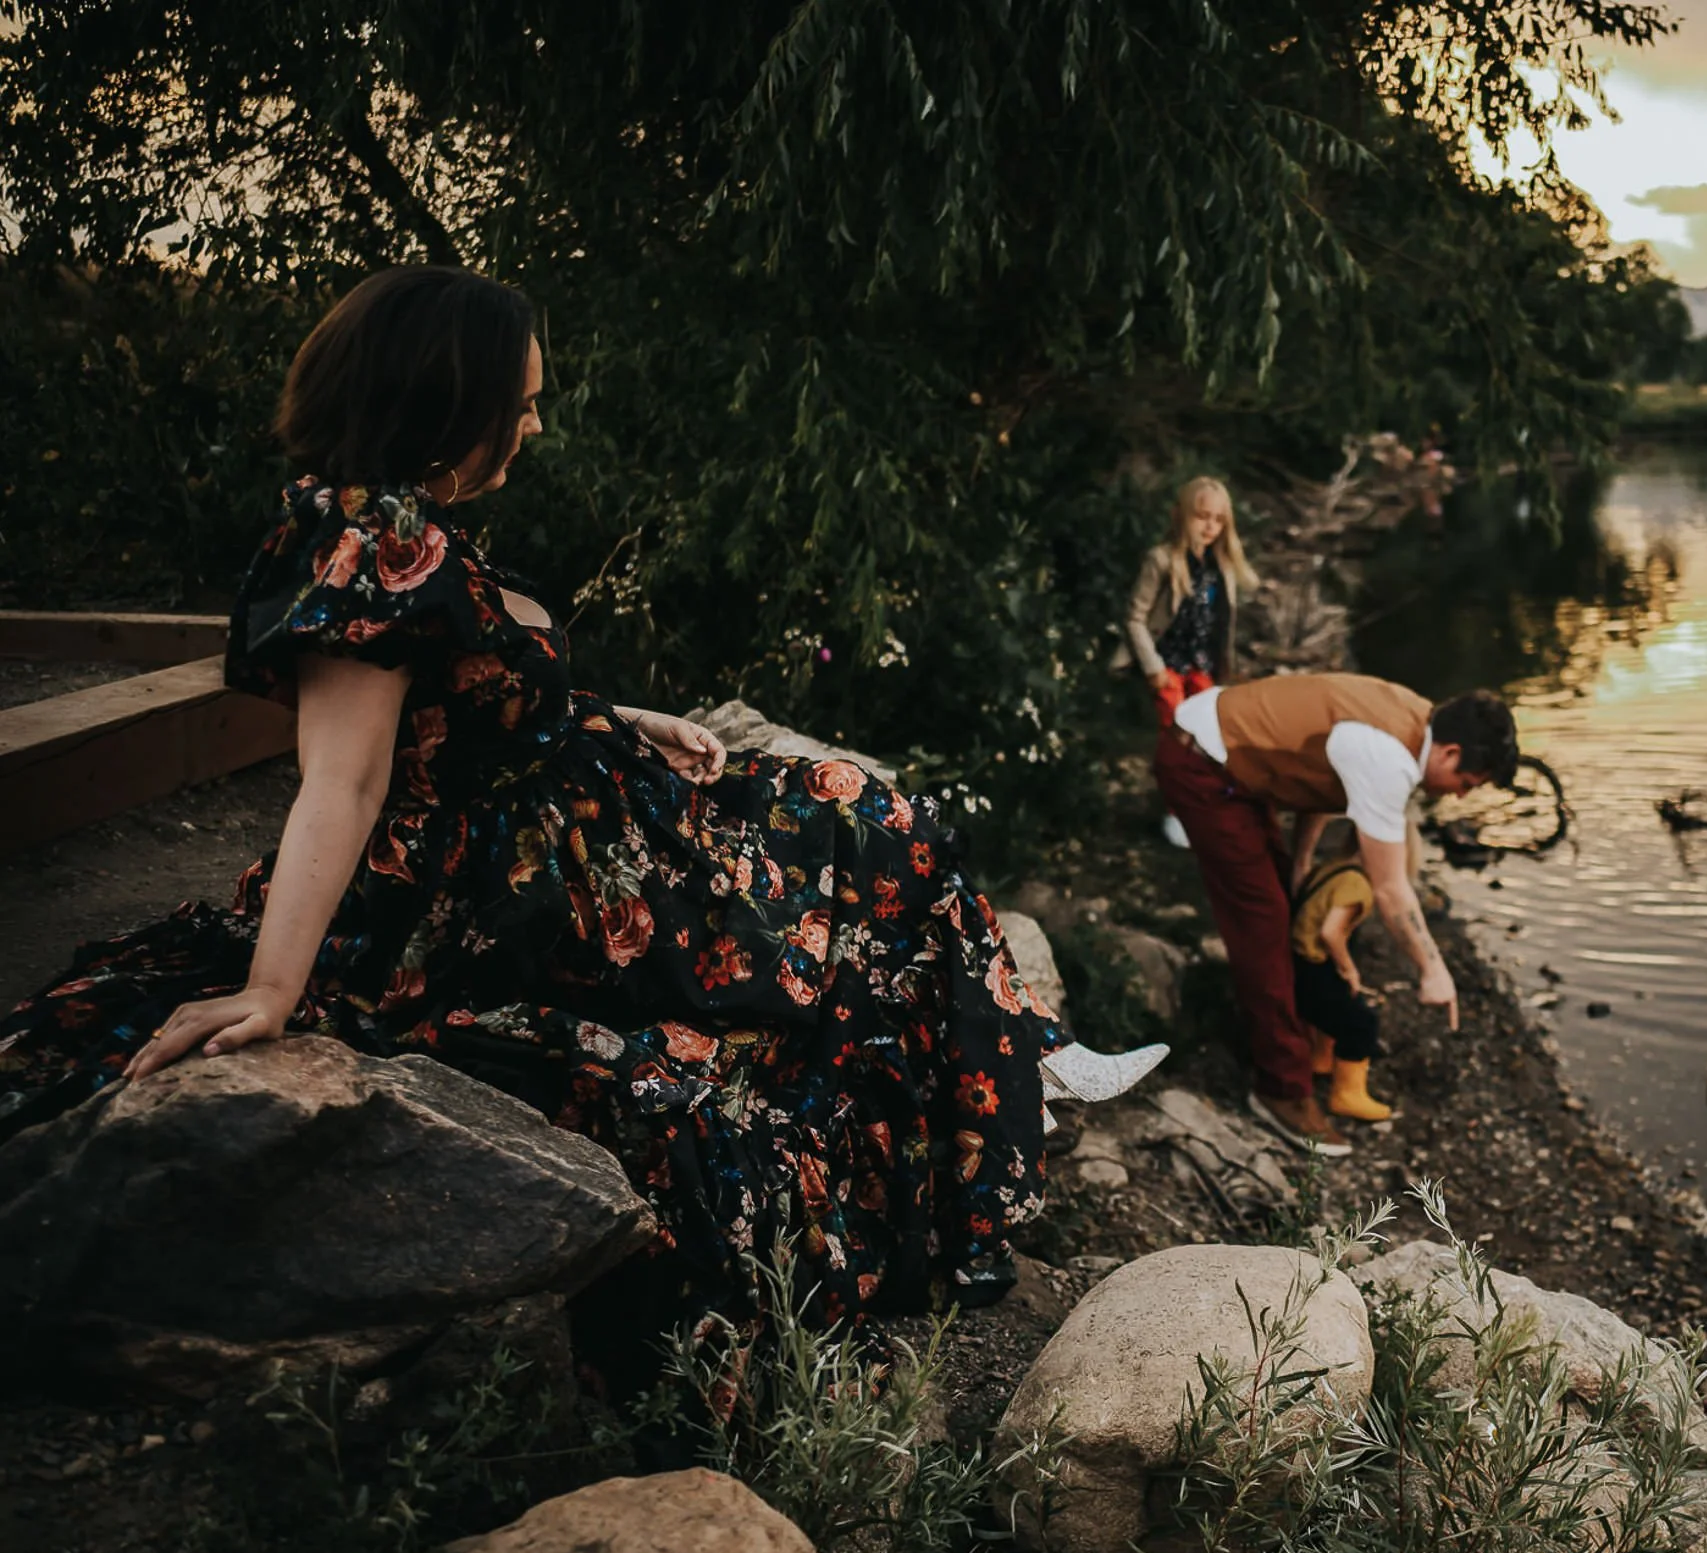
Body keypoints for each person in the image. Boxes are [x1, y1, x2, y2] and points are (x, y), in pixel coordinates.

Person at [0, 266, 1163, 1337]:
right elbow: (344, 781)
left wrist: (617, 719)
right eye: (527, 398)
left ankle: (1019, 1047)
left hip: (570, 819)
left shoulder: (400, 521)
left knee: (859, 808)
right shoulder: (365, 546)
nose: (539, 422)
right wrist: (270, 983)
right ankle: (1013, 1058)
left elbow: (464, 705)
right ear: (452, 399)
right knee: (852, 833)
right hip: (500, 900)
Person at [1154, 670, 1516, 1153]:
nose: (1460, 795)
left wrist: (1301, 861)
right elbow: (1390, 889)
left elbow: (1325, 778)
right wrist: (1433, 968)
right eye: (1466, 782)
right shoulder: (1390, 757)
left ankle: (1289, 1037)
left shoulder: (1417, 717)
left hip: (1228, 754)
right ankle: (1279, 1091)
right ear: (1450, 753)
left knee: (1282, 900)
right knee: (1261, 929)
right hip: (1201, 762)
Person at [1124, 477, 1256, 847]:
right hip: (1168, 665)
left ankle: (1206, 803)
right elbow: (1135, 617)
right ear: (1180, 515)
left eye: (1217, 519)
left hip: (1202, 667)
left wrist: (1222, 669)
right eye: (1201, 517)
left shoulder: (1220, 565)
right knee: (1177, 740)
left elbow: (1220, 622)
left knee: (1211, 736)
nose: (1210, 526)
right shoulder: (1162, 560)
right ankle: (1176, 811)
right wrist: (1152, 669)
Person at [1289, 830, 1396, 1124]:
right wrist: (1349, 969)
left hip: (1295, 962)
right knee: (1361, 1022)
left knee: (1335, 1008)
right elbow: (1330, 932)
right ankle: (1346, 1095)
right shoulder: (1356, 883)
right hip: (1311, 968)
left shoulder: (1333, 868)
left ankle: (1321, 1060)